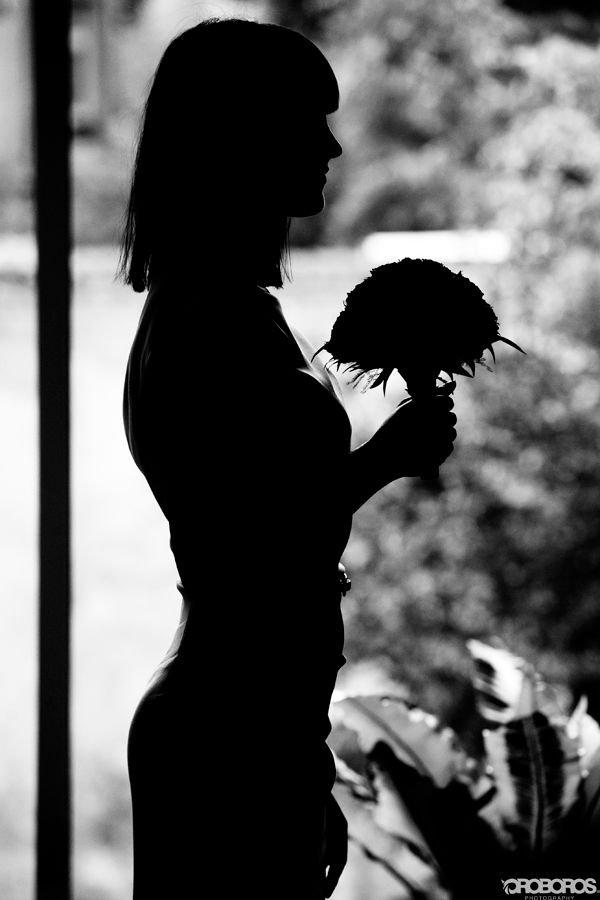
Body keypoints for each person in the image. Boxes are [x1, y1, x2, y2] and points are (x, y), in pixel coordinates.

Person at [119, 17, 456, 900]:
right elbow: (258, 543)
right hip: (228, 733)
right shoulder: (210, 325)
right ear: (238, 140)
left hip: (254, 722)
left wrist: (304, 763)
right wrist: (383, 460)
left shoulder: (225, 308)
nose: (333, 147)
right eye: (308, 122)